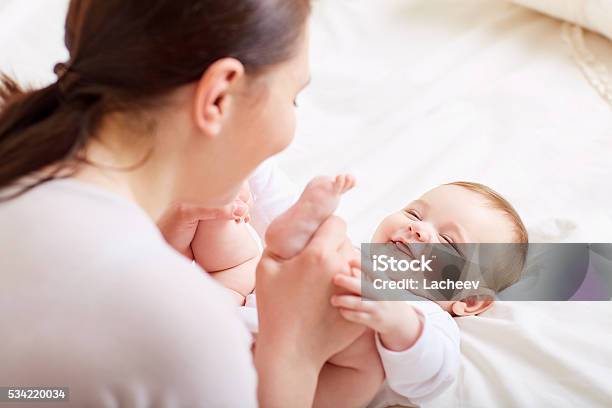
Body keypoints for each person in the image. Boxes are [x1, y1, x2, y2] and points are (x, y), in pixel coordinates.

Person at [0, 0, 365, 406]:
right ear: (218, 97)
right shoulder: (184, 329)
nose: (290, 127)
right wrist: (295, 351)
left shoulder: (22, 159)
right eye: (294, 97)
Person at [197, 174, 528, 407]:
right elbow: (274, 203)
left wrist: (399, 322)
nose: (420, 229)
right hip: (238, 318)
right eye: (415, 212)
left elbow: (431, 379)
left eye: (449, 242)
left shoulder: (424, 316)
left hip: (289, 387)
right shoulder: (346, 250)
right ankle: (276, 228)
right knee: (237, 233)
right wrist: (255, 167)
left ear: (469, 301)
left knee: (364, 350)